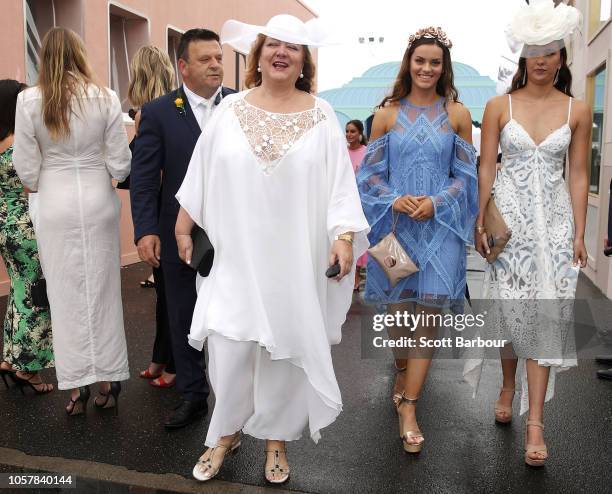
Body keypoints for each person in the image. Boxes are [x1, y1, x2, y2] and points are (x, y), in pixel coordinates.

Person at [175, 14, 369, 484]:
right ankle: (225, 433)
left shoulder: (321, 114)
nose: (282, 53)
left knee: (282, 349)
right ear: (259, 54)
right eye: (273, 45)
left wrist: (343, 238)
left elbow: (340, 185)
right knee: (229, 346)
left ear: (304, 61)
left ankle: (277, 441)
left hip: (292, 258)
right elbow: (200, 174)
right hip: (235, 255)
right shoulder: (229, 109)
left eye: (293, 47)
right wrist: (183, 228)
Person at [468, 0, 589, 466]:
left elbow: (578, 174)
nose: (541, 59)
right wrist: (482, 219)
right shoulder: (500, 105)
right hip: (510, 225)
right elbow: (485, 167)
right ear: (523, 56)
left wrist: (578, 232)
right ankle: (505, 382)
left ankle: (535, 420)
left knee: (543, 319)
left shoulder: (577, 110)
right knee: (509, 314)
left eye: (550, 51)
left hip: (555, 227)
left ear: (561, 57)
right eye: (534, 50)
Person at [357, 26, 478, 454]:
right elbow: (368, 174)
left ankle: (410, 405)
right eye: (420, 60)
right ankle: (403, 369)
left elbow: (466, 178)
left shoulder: (458, 113)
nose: (427, 68)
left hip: (440, 229)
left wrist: (438, 202)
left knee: (428, 314)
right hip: (396, 229)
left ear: (444, 68)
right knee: (398, 317)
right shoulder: (387, 113)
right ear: (409, 63)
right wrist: (395, 199)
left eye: (435, 62)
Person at [12, 28, 131, 415]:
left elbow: (26, 171)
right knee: (103, 291)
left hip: (55, 203)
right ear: (81, 55)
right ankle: (109, 378)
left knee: (64, 296)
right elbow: (120, 162)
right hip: (98, 200)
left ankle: (77, 386)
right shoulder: (106, 97)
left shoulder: (29, 100)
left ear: (44, 59)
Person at [130, 29, 235, 428]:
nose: (215, 65)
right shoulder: (158, 112)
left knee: (231, 320)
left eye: (219, 58)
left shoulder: (242, 106)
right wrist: (145, 230)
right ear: (183, 66)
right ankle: (193, 397)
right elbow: (143, 177)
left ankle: (233, 401)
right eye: (205, 59)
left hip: (234, 233)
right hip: (178, 233)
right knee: (182, 317)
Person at [125, 45, 177, 389]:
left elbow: (151, 172)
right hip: (174, 204)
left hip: (163, 209)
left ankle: (173, 363)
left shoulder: (149, 113)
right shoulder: (175, 105)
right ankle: (162, 358)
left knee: (171, 290)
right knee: (167, 290)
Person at [0, 79, 53, 394]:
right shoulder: (20, 142)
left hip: (4, 225)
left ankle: (9, 358)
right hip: (25, 226)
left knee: (19, 290)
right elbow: (32, 184)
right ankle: (26, 369)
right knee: (34, 294)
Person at [346, 119, 368, 291]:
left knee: (359, 235)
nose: (349, 135)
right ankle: (350, 273)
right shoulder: (341, 153)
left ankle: (356, 275)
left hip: (362, 202)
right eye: (347, 131)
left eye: (352, 131)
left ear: (360, 133)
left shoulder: (366, 153)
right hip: (345, 201)